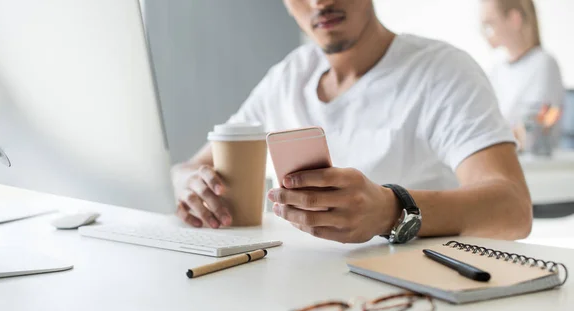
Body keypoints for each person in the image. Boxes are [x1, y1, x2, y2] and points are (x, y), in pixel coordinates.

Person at [172, 0, 532, 244]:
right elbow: (188, 169)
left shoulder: (442, 72)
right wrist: (191, 184)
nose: (319, 1)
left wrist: (391, 211)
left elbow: (513, 209)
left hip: (413, 302)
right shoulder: (288, 77)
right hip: (300, 296)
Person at [481, 0, 564, 140]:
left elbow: (535, 130)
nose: (485, 33)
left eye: (490, 24)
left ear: (514, 19)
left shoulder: (544, 64)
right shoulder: (497, 69)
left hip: (532, 159)